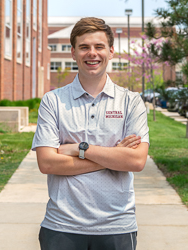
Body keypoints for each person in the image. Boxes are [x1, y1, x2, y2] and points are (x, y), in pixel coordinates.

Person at [32, 17, 149, 250]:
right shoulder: (53, 101)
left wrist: (79, 149)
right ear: (73, 53)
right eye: (84, 47)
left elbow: (136, 161)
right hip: (61, 226)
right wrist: (114, 156)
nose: (92, 53)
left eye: (99, 46)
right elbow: (47, 163)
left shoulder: (131, 102)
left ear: (111, 51)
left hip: (117, 226)